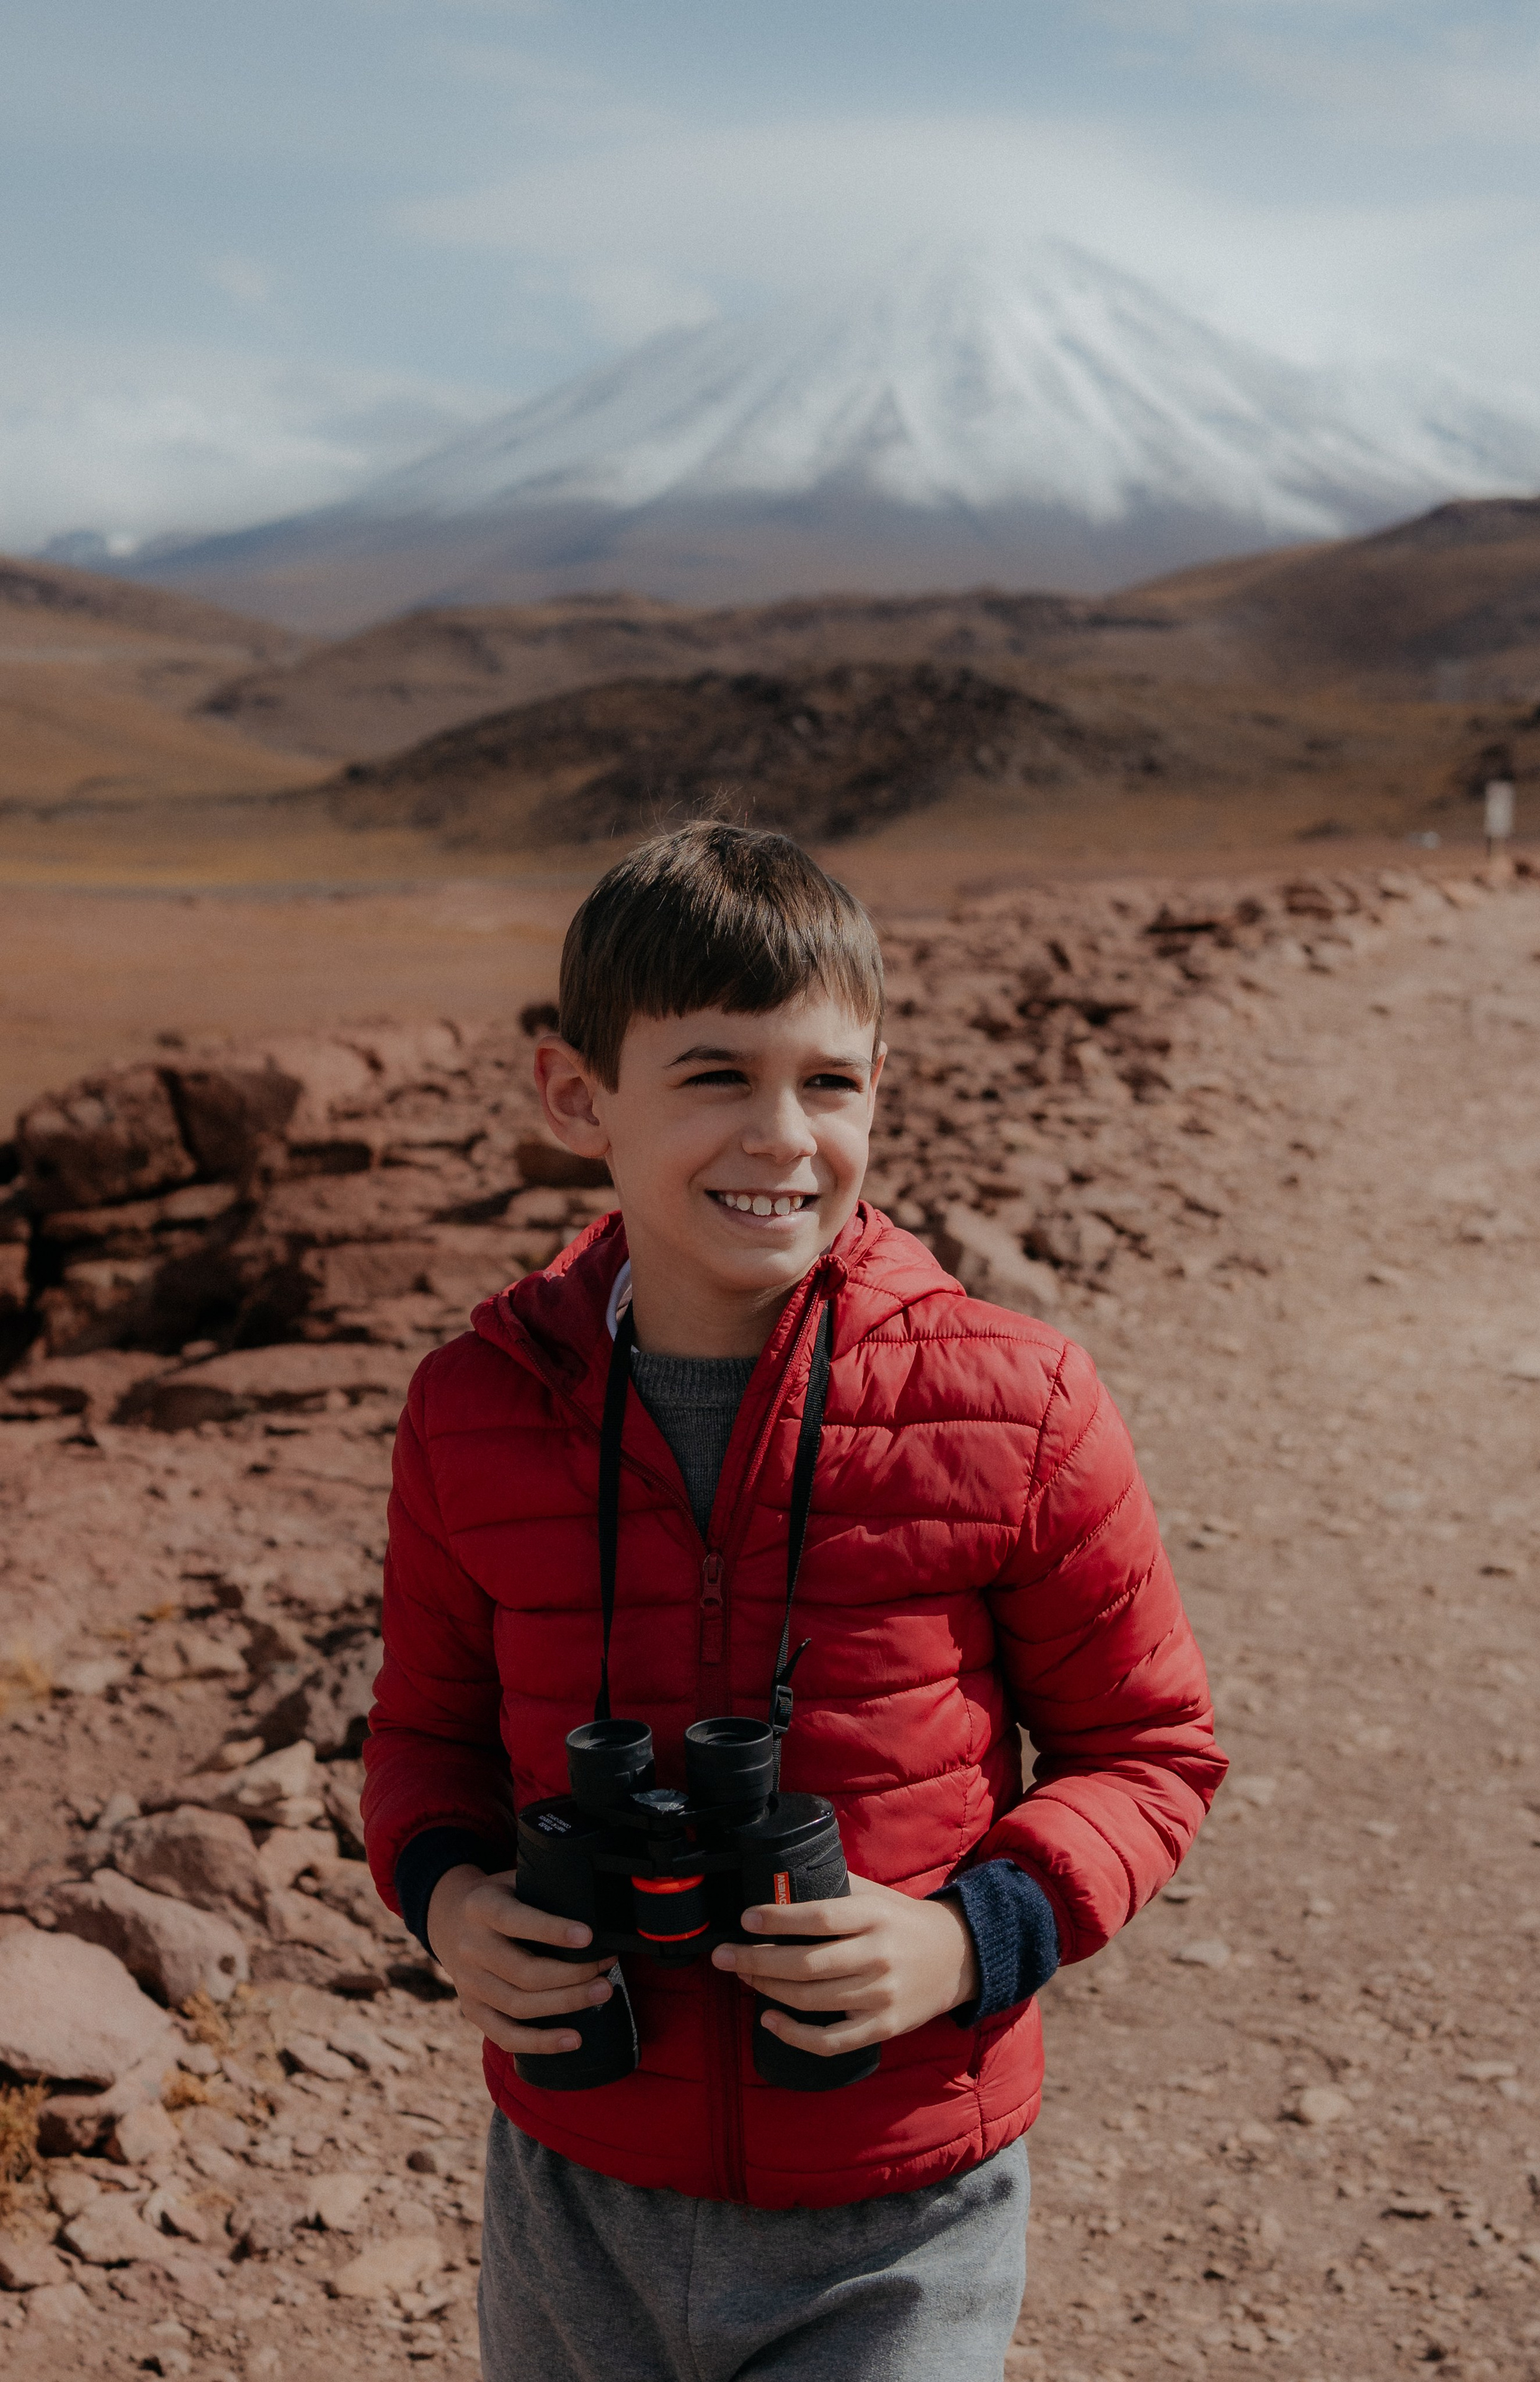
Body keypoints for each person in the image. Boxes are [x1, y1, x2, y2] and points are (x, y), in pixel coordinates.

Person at [363, 821, 1225, 2382]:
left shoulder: (1013, 1405)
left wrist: (970, 1940)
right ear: (577, 1098)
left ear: (879, 1085)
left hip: (900, 2198)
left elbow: (1151, 1751)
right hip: (575, 2181)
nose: (781, 1138)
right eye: (712, 1077)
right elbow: (424, 1730)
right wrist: (450, 1899)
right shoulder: (471, 1411)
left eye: (828, 1082)